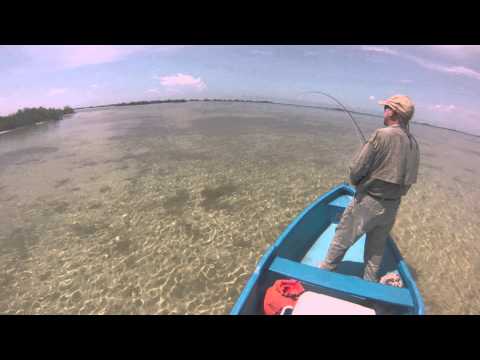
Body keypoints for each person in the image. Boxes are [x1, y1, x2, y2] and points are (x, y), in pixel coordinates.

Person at [318, 94, 420, 282]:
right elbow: (409, 180)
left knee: (341, 240)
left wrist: (359, 182)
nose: (384, 111)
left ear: (393, 112)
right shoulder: (414, 143)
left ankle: (323, 275)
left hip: (368, 203)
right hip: (392, 206)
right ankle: (369, 286)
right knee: (375, 253)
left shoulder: (382, 134)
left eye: (386, 107)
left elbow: (355, 171)